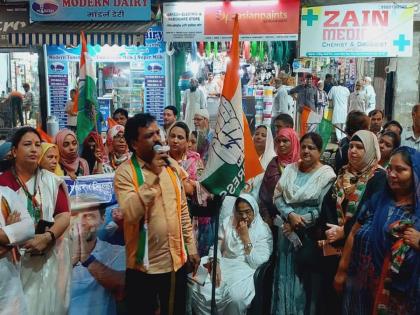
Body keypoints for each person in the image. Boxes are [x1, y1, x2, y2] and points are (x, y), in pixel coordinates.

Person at [114, 113, 199, 315]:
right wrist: (152, 175)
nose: (158, 139)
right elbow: (131, 213)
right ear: (134, 144)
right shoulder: (125, 173)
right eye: (149, 135)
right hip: (143, 268)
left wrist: (191, 247)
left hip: (175, 263)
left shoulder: (171, 167)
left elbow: (182, 211)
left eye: (157, 133)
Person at [335, 147, 420, 315]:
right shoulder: (377, 200)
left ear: (416, 173)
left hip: (397, 297)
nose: (392, 174)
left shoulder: (417, 210)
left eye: (401, 170)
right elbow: (353, 233)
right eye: (390, 168)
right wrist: (341, 270)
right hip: (359, 286)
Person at [0, 127, 72, 315]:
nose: (34, 149)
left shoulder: (51, 181)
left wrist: (48, 236)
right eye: (27, 144)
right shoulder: (3, 184)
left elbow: (63, 215)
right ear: (14, 151)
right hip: (13, 266)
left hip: (46, 260)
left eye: (37, 145)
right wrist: (11, 233)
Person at [317, 130, 386, 315]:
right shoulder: (342, 174)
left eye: (359, 147)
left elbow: (370, 212)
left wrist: (344, 231)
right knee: (330, 301)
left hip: (359, 253)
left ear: (371, 150)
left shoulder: (379, 178)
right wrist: (332, 230)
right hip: (332, 248)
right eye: (351, 147)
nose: (352, 151)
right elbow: (328, 205)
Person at [272, 133, 336, 315]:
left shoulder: (326, 175)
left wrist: (300, 221)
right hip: (286, 233)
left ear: (320, 151)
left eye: (312, 148)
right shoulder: (290, 169)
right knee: (284, 276)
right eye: (304, 147)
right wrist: (290, 214)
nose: (306, 151)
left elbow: (323, 209)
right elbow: (277, 196)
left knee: (303, 282)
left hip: (307, 236)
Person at [191, 193, 273, 315]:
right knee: (195, 282)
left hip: (246, 268)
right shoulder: (228, 222)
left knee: (235, 297)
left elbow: (259, 262)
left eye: (247, 212)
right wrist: (215, 262)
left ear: (254, 210)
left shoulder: (263, 230)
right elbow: (216, 246)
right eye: (240, 212)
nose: (244, 216)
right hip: (223, 262)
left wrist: (245, 238)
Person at [70, 207, 125, 315]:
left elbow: (121, 290)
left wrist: (87, 258)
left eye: (89, 216)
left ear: (102, 219)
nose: (81, 222)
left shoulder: (116, 252)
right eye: (74, 215)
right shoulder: (53, 255)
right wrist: (69, 263)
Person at [0, 186, 35, 315]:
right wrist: (10, 235)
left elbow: (28, 228)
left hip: (10, 290)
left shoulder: (6, 193)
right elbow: (19, 232)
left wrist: (7, 238)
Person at [259, 127, 300, 225]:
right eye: (278, 141)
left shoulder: (301, 164)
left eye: (285, 141)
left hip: (297, 218)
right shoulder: (273, 163)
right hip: (274, 219)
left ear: (294, 141)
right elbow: (264, 192)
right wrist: (266, 216)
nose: (281, 144)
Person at [246, 125, 276, 199]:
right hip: (243, 195)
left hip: (262, 199)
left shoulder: (273, 159)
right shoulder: (245, 155)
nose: (258, 137)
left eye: (263, 135)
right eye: (256, 134)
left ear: (268, 139)